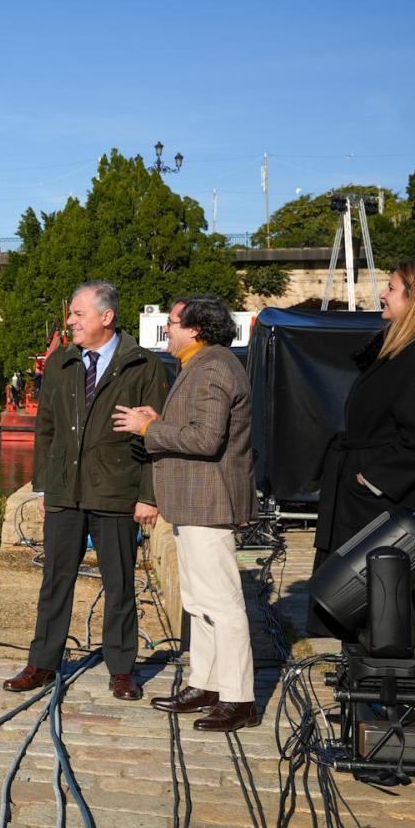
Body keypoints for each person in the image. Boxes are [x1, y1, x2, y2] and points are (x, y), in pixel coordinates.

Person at [5, 280, 169, 700]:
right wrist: (43, 487)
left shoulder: (143, 365)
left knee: (119, 585)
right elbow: (47, 429)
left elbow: (156, 435)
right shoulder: (61, 361)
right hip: (64, 491)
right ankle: (41, 663)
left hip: (116, 489)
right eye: (72, 314)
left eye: (78, 314)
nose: (71, 321)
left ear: (106, 317)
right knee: (54, 582)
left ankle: (121, 669)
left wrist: (148, 495)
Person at [113, 296, 258, 731]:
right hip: (194, 500)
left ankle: (239, 697)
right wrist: (161, 418)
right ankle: (206, 683)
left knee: (222, 603)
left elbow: (207, 439)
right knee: (199, 602)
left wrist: (149, 429)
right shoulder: (202, 363)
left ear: (195, 329)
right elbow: (197, 426)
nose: (167, 330)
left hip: (208, 500)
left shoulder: (212, 367)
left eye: (173, 323)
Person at [309, 256, 415, 655]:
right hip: (366, 495)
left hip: (388, 500)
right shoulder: (402, 347)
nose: (382, 293)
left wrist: (375, 478)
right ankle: (369, 680)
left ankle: (399, 685)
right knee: (364, 596)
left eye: (392, 288)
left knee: (390, 593)